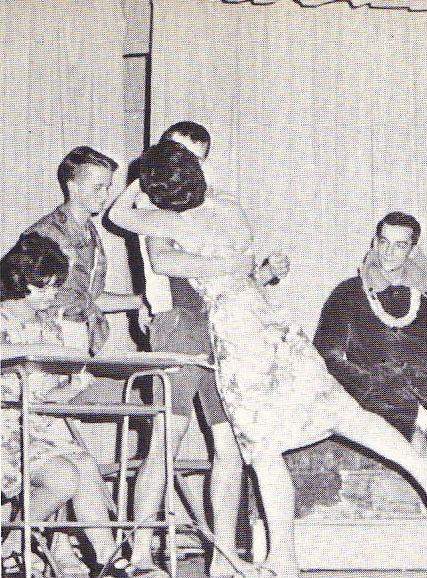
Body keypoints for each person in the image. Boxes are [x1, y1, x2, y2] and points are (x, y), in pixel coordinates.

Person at [110, 141, 427, 578]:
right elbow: (236, 262)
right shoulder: (229, 208)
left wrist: (138, 184)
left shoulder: (170, 222)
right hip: (272, 323)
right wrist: (234, 264)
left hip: (238, 334)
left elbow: (122, 220)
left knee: (263, 449)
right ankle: (418, 469)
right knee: (343, 413)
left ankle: (284, 559)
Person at [127, 122, 289, 578]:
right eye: (178, 155)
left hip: (221, 326)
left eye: (195, 159)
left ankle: (223, 556)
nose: (185, 166)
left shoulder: (212, 207)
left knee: (230, 444)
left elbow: (236, 275)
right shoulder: (154, 201)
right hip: (179, 324)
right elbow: (164, 260)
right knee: (166, 442)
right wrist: (228, 263)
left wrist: (260, 272)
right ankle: (139, 554)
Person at [0, 233, 131, 578]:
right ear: (19, 281)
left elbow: (49, 397)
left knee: (84, 466)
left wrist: (74, 386)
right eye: (42, 287)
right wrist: (31, 355)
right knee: (62, 477)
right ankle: (9, 546)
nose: (51, 295)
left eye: (55, 287)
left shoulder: (49, 323)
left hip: (41, 428)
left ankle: (106, 556)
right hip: (6, 430)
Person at [314, 212, 427, 453]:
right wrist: (406, 407)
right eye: (384, 242)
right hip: (378, 402)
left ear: (413, 250)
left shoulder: (423, 298)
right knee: (417, 446)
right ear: (375, 243)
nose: (388, 252)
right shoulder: (348, 294)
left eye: (400, 245)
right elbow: (328, 360)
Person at [24, 146, 150, 355]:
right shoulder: (45, 235)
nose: (105, 196)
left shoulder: (90, 232)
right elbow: (24, 296)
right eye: (97, 188)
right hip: (48, 338)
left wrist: (142, 302)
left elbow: (88, 297)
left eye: (108, 187)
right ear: (73, 188)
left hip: (78, 334)